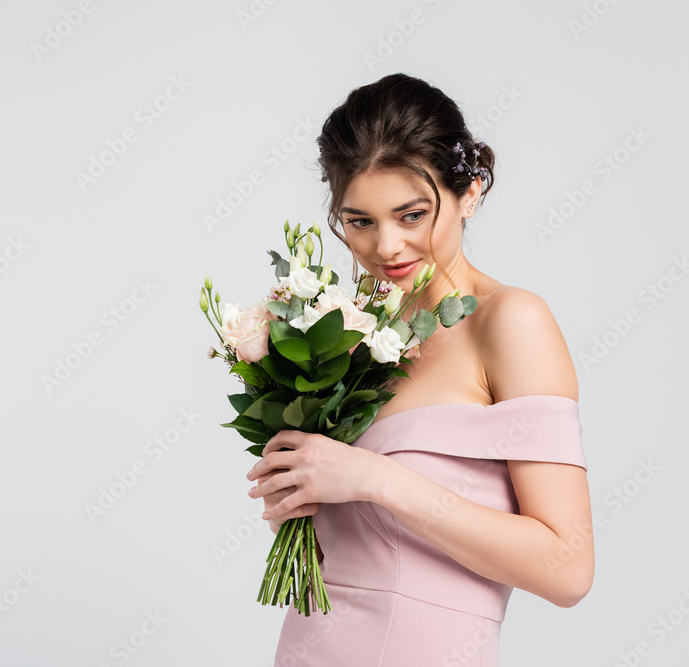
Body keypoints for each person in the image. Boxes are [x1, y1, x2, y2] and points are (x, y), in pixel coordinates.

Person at [245, 73, 594, 665]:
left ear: (470, 193)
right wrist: (295, 506)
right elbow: (351, 559)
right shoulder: (353, 333)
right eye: (360, 221)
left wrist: (375, 478)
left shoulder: (510, 321)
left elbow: (568, 569)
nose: (386, 247)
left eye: (410, 216)